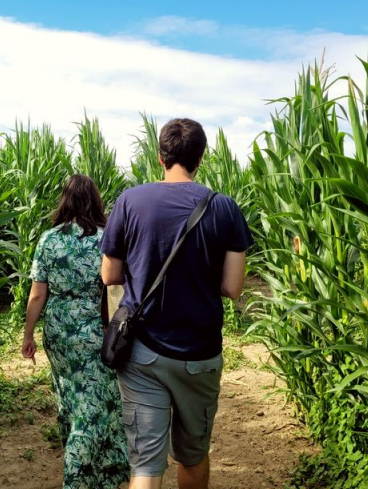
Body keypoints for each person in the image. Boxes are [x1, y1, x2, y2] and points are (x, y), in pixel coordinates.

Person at [100, 118, 253, 489]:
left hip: (142, 354)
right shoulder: (225, 208)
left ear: (160, 157)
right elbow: (233, 288)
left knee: (147, 466)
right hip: (199, 354)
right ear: (200, 158)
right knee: (193, 455)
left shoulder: (130, 201)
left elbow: (110, 275)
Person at [22, 174, 130, 489]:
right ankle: (85, 475)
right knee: (97, 403)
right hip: (97, 328)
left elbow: (37, 294)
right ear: (96, 201)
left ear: (64, 201)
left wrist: (28, 334)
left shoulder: (49, 239)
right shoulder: (106, 238)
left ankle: (91, 469)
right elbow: (118, 285)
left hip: (58, 331)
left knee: (71, 399)